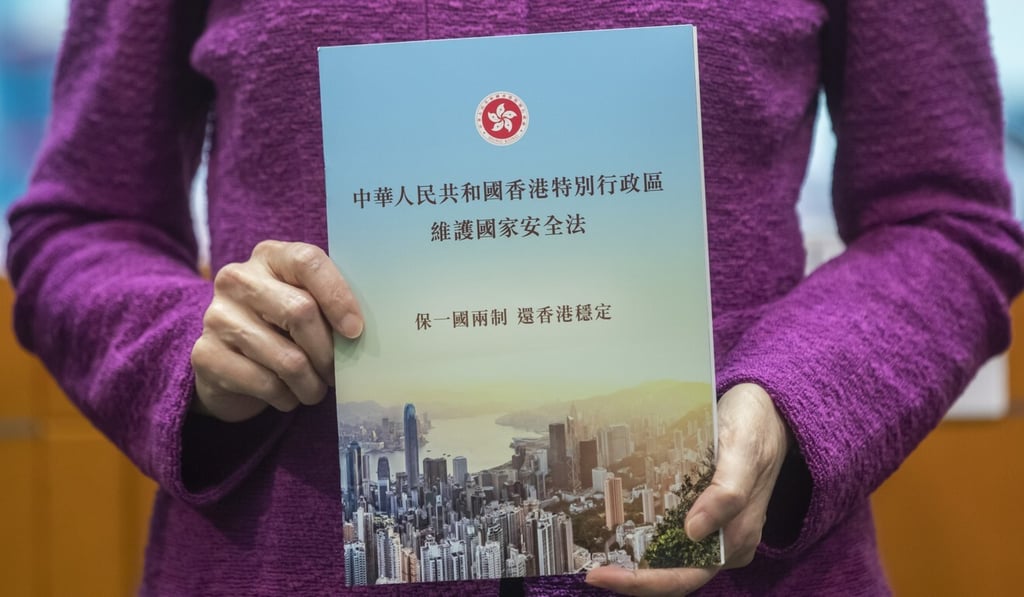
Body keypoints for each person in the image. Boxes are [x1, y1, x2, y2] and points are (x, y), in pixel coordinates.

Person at [7, 0, 1022, 595]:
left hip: (724, 560)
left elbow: (945, 219)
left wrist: (797, 406)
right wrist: (189, 348)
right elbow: (81, 223)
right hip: (288, 556)